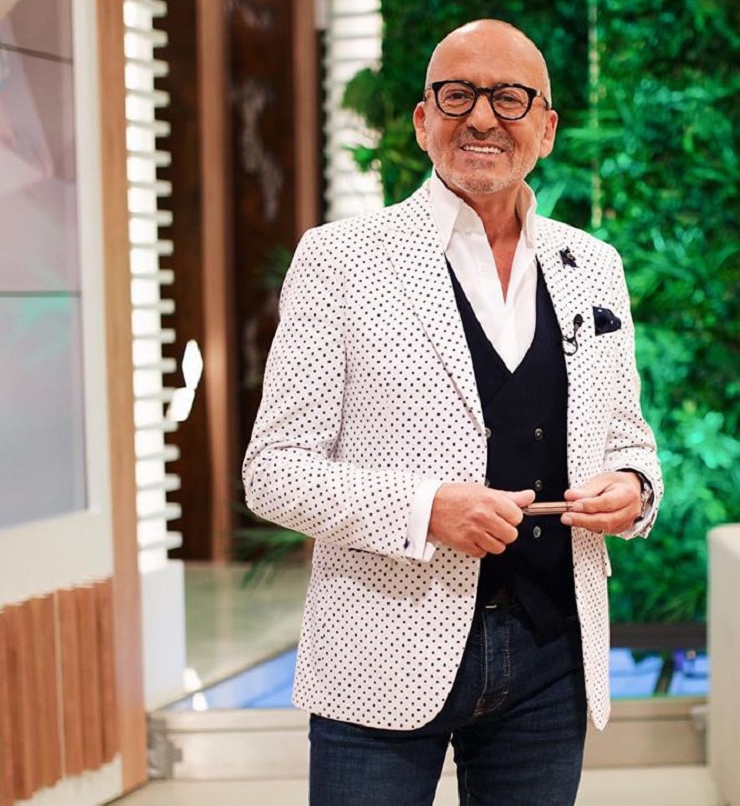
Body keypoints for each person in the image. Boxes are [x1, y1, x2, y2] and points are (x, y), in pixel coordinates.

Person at [243, 18, 662, 805]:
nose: (481, 118)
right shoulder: (340, 259)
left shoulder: (594, 266)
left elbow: (628, 437)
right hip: (379, 646)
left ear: (546, 127)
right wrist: (426, 508)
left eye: (509, 98)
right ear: (422, 119)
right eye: (457, 95)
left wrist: (635, 488)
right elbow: (273, 472)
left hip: (551, 654)